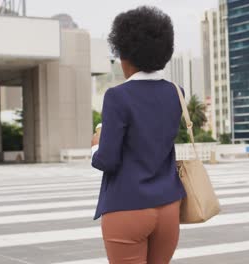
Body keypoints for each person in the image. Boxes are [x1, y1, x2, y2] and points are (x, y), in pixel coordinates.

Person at [91, 6, 186, 264]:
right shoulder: (177, 93)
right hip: (169, 206)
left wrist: (95, 145)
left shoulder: (117, 96)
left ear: (126, 55)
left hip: (127, 206)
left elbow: (107, 160)